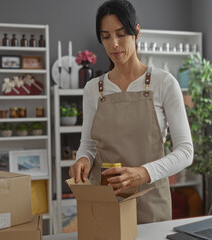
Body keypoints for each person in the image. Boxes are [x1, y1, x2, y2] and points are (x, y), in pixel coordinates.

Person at [69, 0, 193, 224]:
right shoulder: (92, 89)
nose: (113, 44)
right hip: (104, 201)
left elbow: (186, 151)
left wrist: (143, 174)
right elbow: (87, 145)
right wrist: (82, 160)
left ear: (136, 32)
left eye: (121, 34)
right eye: (105, 36)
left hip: (151, 201)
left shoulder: (164, 82)